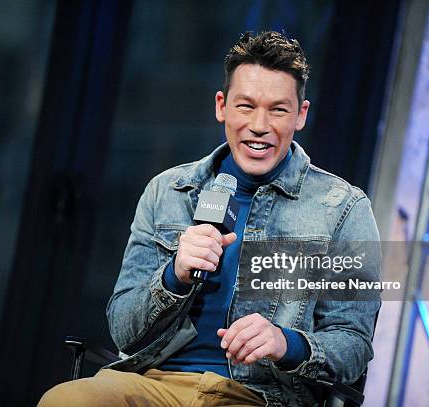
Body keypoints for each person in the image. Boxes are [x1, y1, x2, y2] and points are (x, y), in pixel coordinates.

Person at [39, 31, 380, 407]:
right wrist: (174, 276)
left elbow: (353, 345)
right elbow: (123, 330)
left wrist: (288, 343)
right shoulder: (168, 190)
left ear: (301, 115)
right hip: (155, 383)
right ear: (222, 106)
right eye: (245, 106)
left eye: (278, 110)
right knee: (67, 401)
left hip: (260, 397)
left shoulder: (343, 208)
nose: (259, 125)